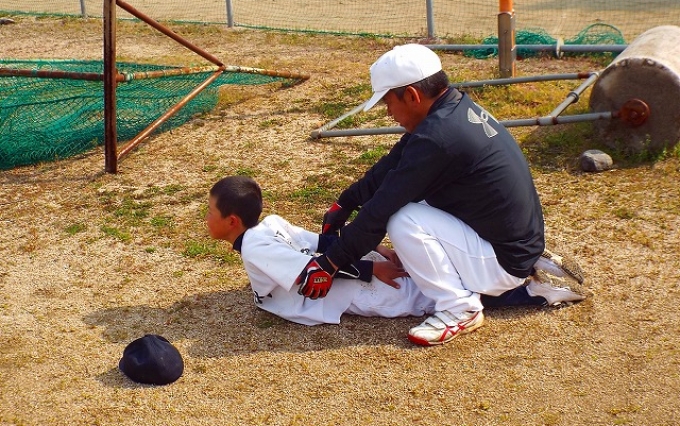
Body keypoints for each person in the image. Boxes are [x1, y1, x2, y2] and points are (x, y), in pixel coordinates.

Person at [298, 43, 588, 346]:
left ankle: (460, 308)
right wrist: (346, 202)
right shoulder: (452, 110)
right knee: (411, 201)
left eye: (388, 102)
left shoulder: (438, 137)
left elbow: (382, 208)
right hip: (511, 239)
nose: (389, 112)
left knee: (402, 217)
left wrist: (330, 263)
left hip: (504, 260)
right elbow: (392, 166)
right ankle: (521, 264)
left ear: (412, 95)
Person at [205, 175, 436, 326]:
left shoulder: (254, 246)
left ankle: (454, 305)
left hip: (345, 290)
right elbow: (323, 242)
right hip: (347, 270)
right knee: (421, 277)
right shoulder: (271, 223)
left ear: (232, 221)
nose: (206, 217)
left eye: (210, 212)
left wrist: (373, 266)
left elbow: (314, 272)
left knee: (421, 297)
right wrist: (373, 252)